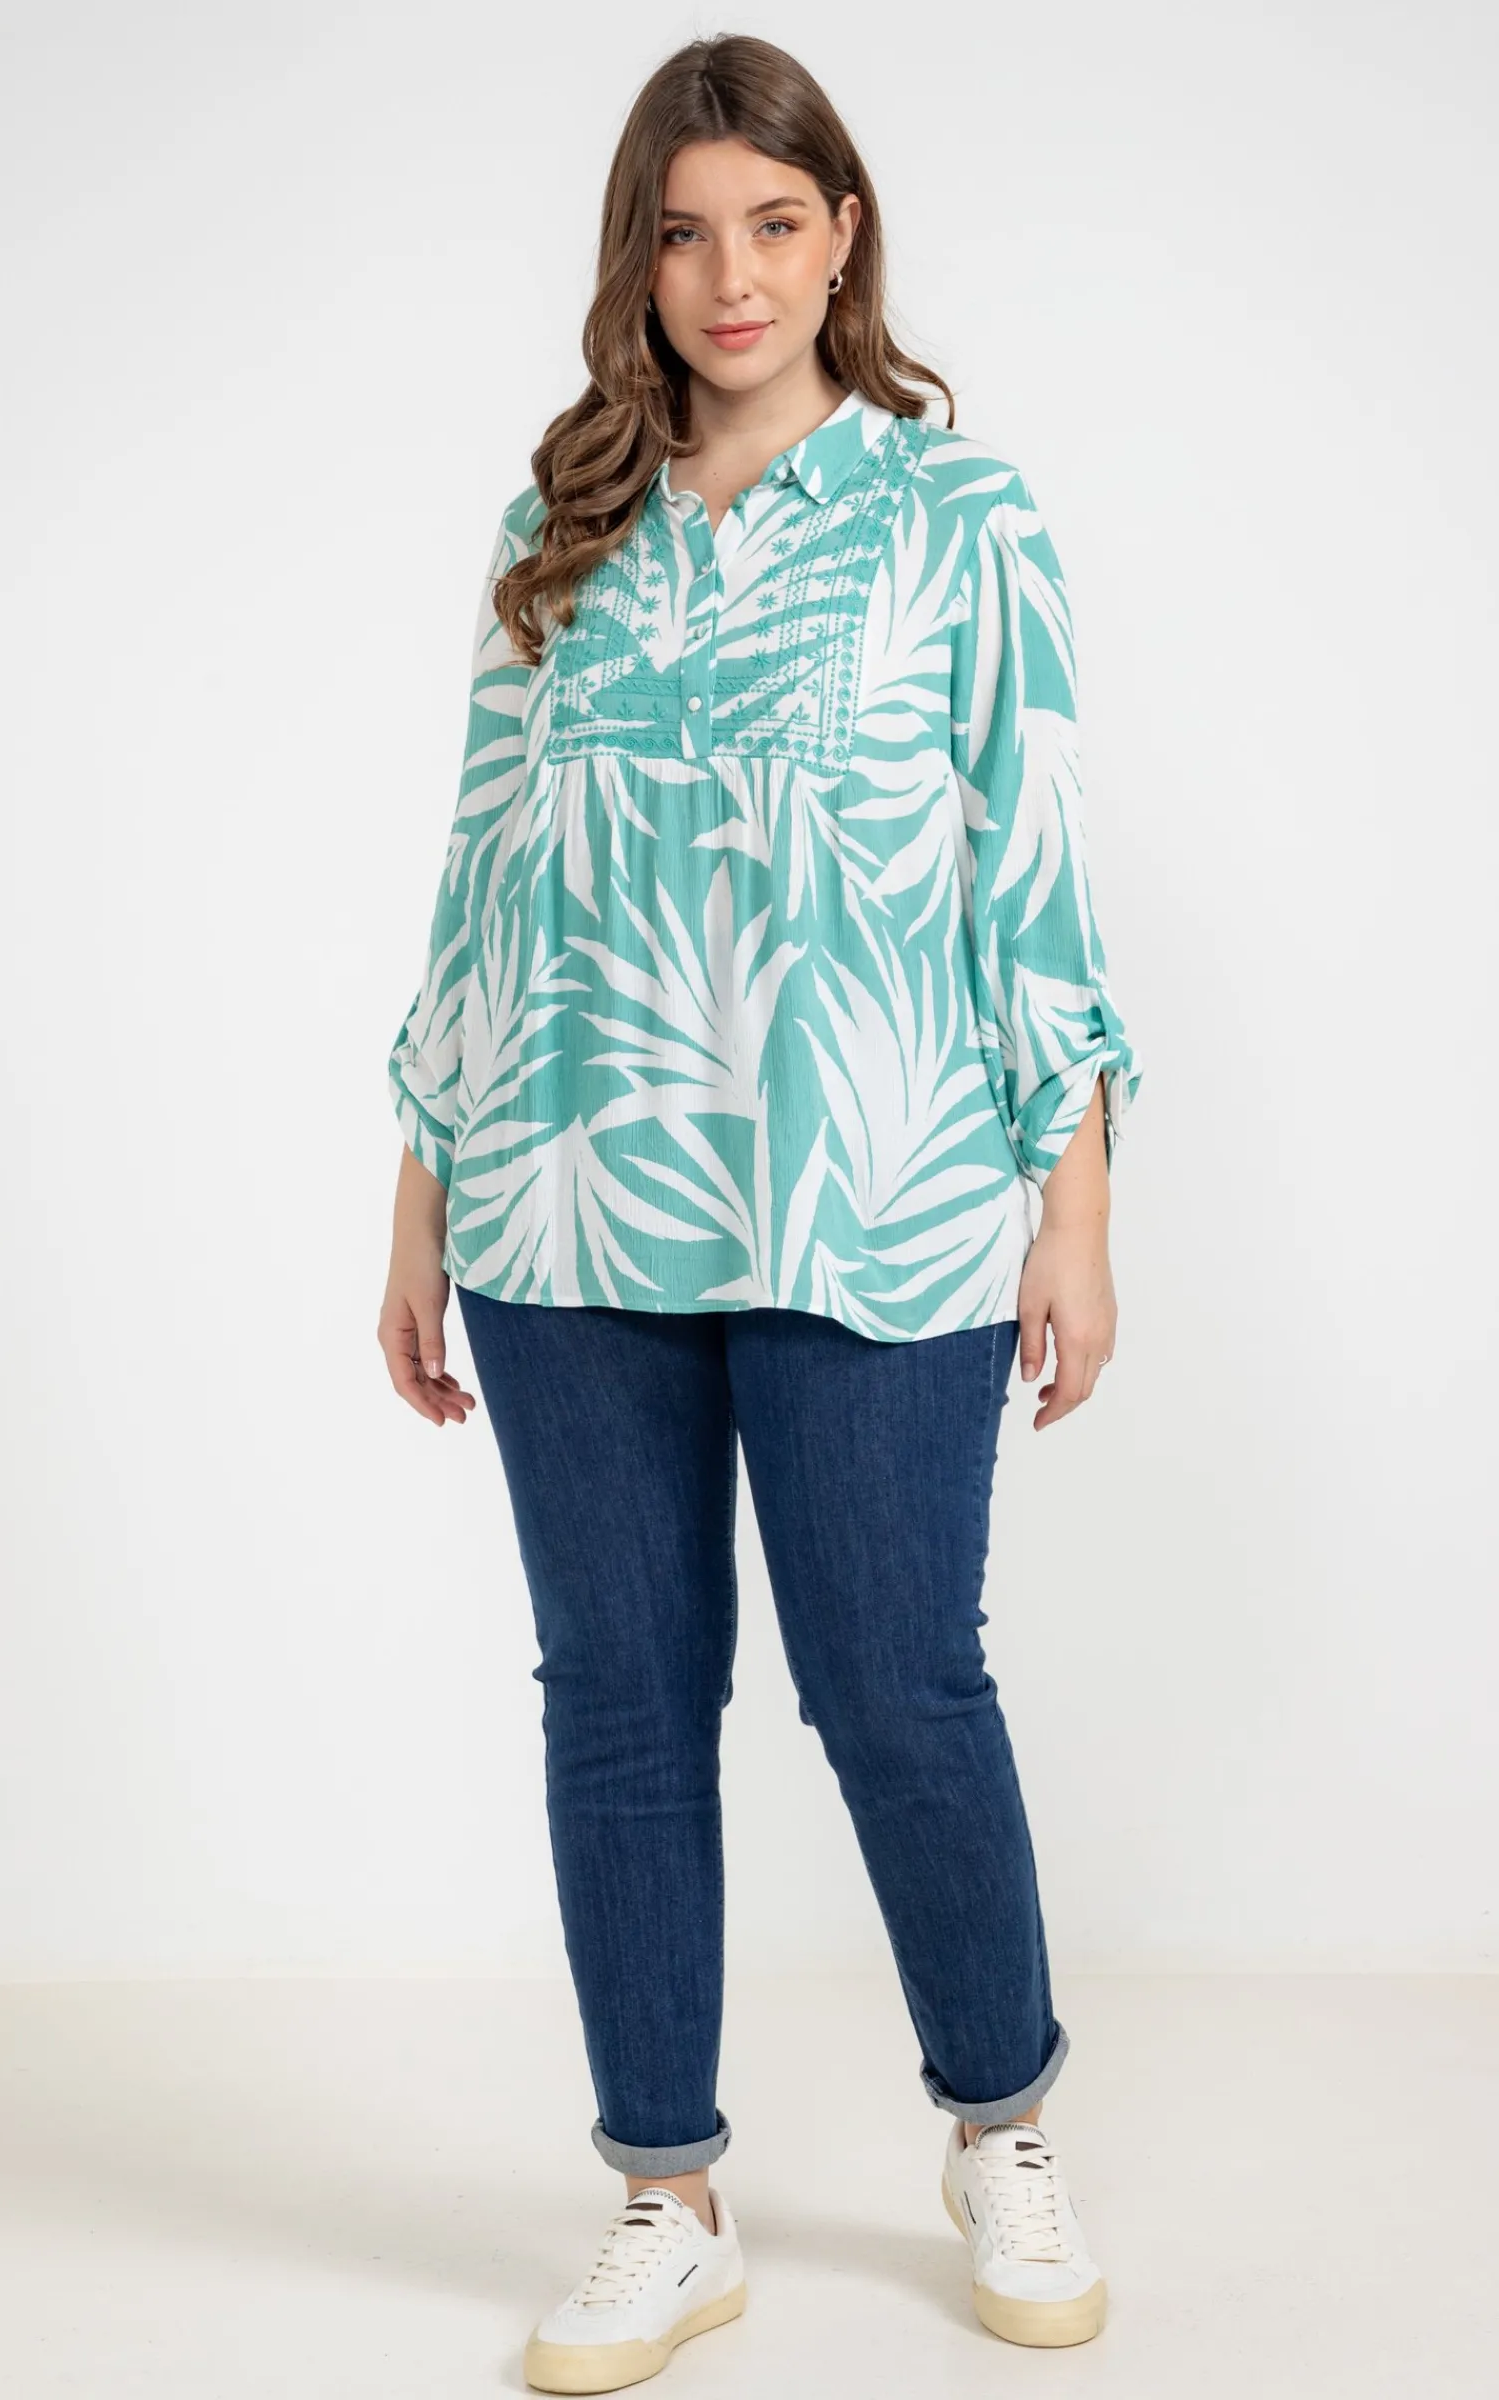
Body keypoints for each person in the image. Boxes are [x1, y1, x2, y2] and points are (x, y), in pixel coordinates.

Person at [377, 32, 1143, 2395]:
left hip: (873, 1193)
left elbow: (1029, 867)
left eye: (774, 225)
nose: (730, 276)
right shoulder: (557, 525)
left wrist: (1073, 1202)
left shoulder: (956, 516)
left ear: (841, 239)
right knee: (620, 1702)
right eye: (685, 231)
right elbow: (482, 877)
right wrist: (417, 1193)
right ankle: (664, 2199)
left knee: (895, 1685)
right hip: (563, 1193)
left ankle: (1000, 2127)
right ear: (637, 258)